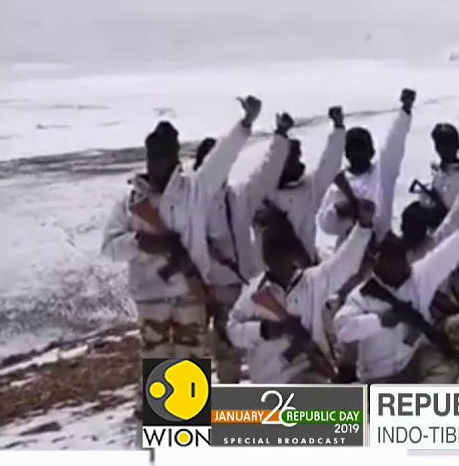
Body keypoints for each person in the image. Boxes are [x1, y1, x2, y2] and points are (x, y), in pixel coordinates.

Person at [101, 96, 259, 416]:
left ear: (175, 158)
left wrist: (245, 125)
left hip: (190, 295)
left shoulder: (195, 190)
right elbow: (109, 247)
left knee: (190, 360)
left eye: (163, 156)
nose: (156, 163)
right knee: (156, 360)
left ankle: (189, 425)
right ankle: (162, 426)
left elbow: (221, 159)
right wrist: (141, 243)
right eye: (152, 156)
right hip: (150, 297)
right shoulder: (131, 202)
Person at [332, 196, 459, 383]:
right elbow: (342, 327)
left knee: (447, 368)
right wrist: (379, 321)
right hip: (376, 376)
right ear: (379, 262)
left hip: (411, 365)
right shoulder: (362, 296)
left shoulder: (418, 278)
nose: (396, 268)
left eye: (400, 262)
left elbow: (448, 252)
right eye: (390, 263)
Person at [190, 111, 294, 384]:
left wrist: (280, 138)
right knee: (197, 350)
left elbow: (264, 176)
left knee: (237, 347)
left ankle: (235, 407)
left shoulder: (236, 197)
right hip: (204, 286)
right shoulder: (193, 202)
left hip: (240, 284)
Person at [226, 202, 374, 384]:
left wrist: (363, 227)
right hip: (269, 381)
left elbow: (344, 263)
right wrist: (262, 331)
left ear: (292, 255)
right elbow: (233, 330)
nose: (275, 260)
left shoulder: (311, 282)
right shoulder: (254, 293)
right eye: (271, 253)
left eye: (280, 253)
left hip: (308, 374)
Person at [402, 163, 459, 383]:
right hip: (405, 321)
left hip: (438, 318)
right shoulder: (395, 256)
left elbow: (456, 217)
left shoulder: (434, 243)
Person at [317, 89, 416, 243]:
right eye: (354, 150)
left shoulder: (382, 173)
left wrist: (405, 110)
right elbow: (325, 224)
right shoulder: (338, 185)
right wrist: (339, 211)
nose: (359, 154)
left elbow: (394, 142)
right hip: (348, 249)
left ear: (372, 150)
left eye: (363, 148)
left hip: (381, 246)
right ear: (347, 154)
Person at [259, 106, 347, 265]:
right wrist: (280, 133)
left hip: (307, 267)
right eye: (290, 159)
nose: (297, 162)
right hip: (272, 271)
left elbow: (329, 165)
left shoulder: (308, 187)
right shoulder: (263, 193)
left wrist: (338, 128)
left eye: (297, 157)